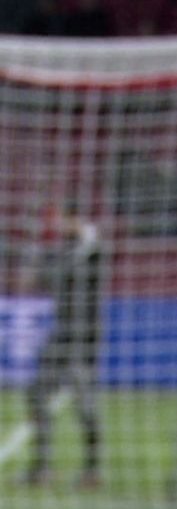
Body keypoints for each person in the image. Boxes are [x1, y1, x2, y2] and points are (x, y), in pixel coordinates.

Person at [25, 203, 103, 488]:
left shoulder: (93, 250)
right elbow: (45, 283)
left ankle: (92, 472)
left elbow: (77, 270)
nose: (60, 225)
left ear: (76, 220)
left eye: (64, 220)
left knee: (84, 404)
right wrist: (39, 265)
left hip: (83, 338)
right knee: (36, 394)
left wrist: (48, 264)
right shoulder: (65, 251)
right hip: (60, 333)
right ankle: (41, 469)